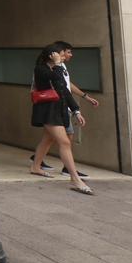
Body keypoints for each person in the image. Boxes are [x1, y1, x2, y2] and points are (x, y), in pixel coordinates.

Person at [28, 43, 94, 195]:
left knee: (48, 140)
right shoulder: (41, 69)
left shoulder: (59, 68)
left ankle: (35, 167)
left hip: (60, 109)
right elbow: (54, 78)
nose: (64, 56)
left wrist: (76, 110)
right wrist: (58, 64)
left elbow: (64, 90)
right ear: (52, 55)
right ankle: (75, 178)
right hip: (47, 111)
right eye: (60, 54)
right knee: (64, 142)